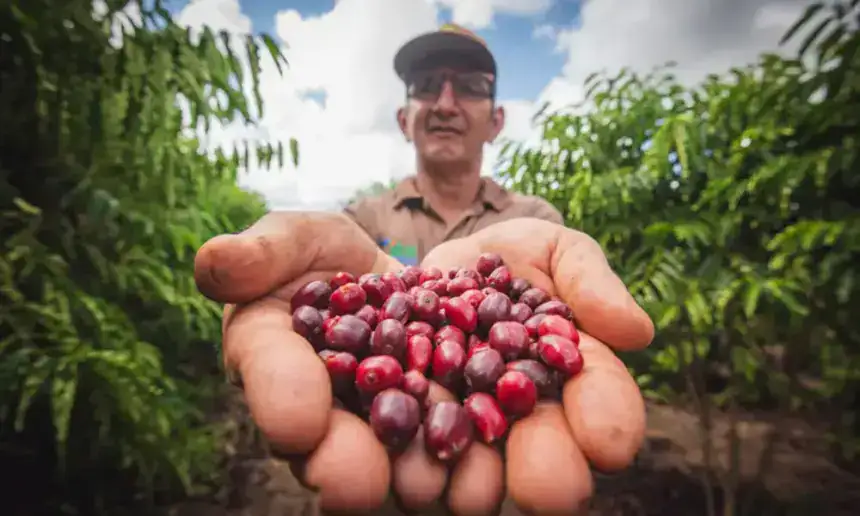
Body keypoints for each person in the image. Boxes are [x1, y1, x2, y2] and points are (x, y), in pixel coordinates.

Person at [194, 24, 655, 516]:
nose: (446, 103)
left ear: (496, 120)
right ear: (403, 117)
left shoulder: (537, 221)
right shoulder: (361, 220)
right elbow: (342, 301)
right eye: (427, 85)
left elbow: (543, 334)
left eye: (470, 87)